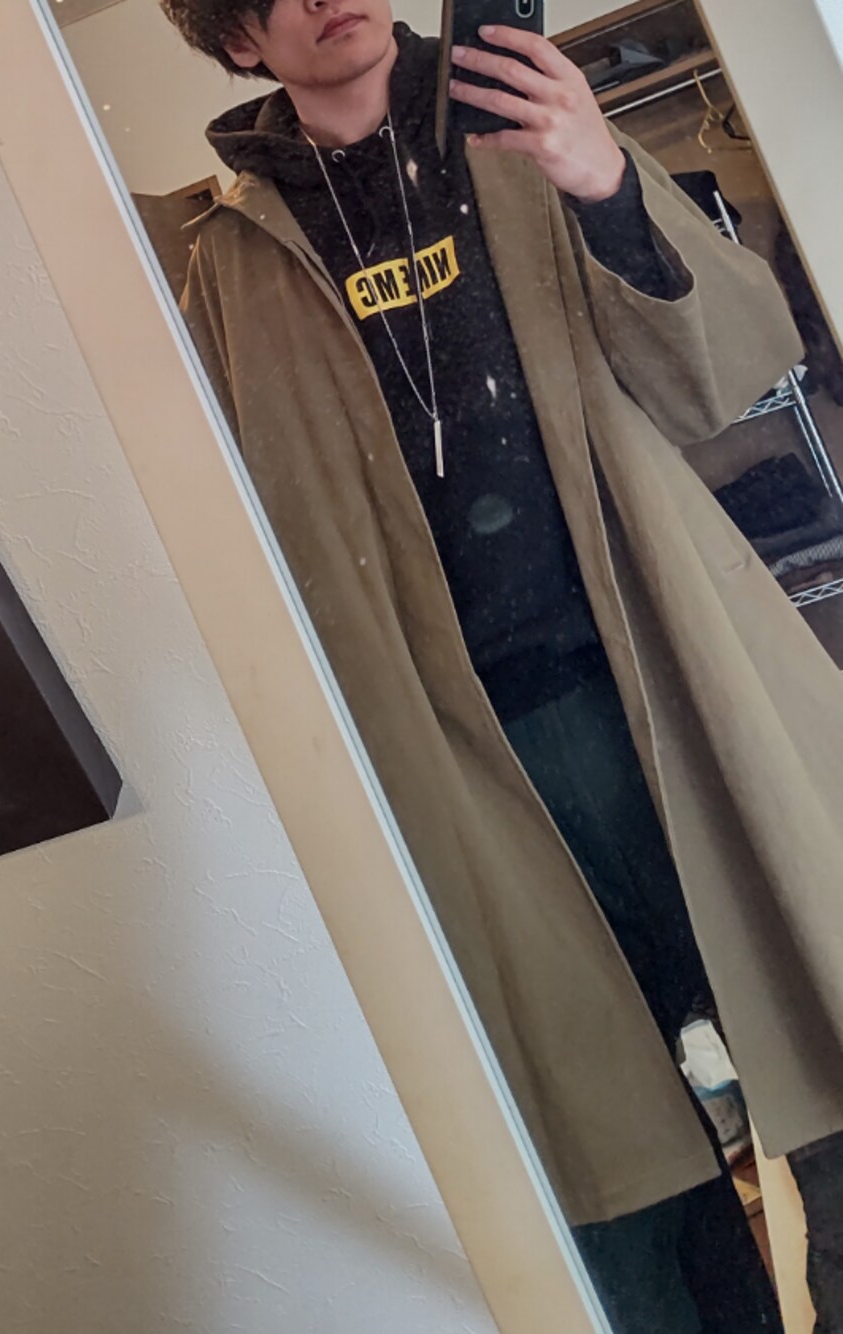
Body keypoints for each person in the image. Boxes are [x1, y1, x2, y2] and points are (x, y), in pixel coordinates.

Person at [161, 0, 843, 1326]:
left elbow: (736, 365)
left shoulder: (531, 127)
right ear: (240, 41)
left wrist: (608, 187)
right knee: (614, 1174)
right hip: (466, 764)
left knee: (824, 1052)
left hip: (674, 690)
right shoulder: (225, 267)